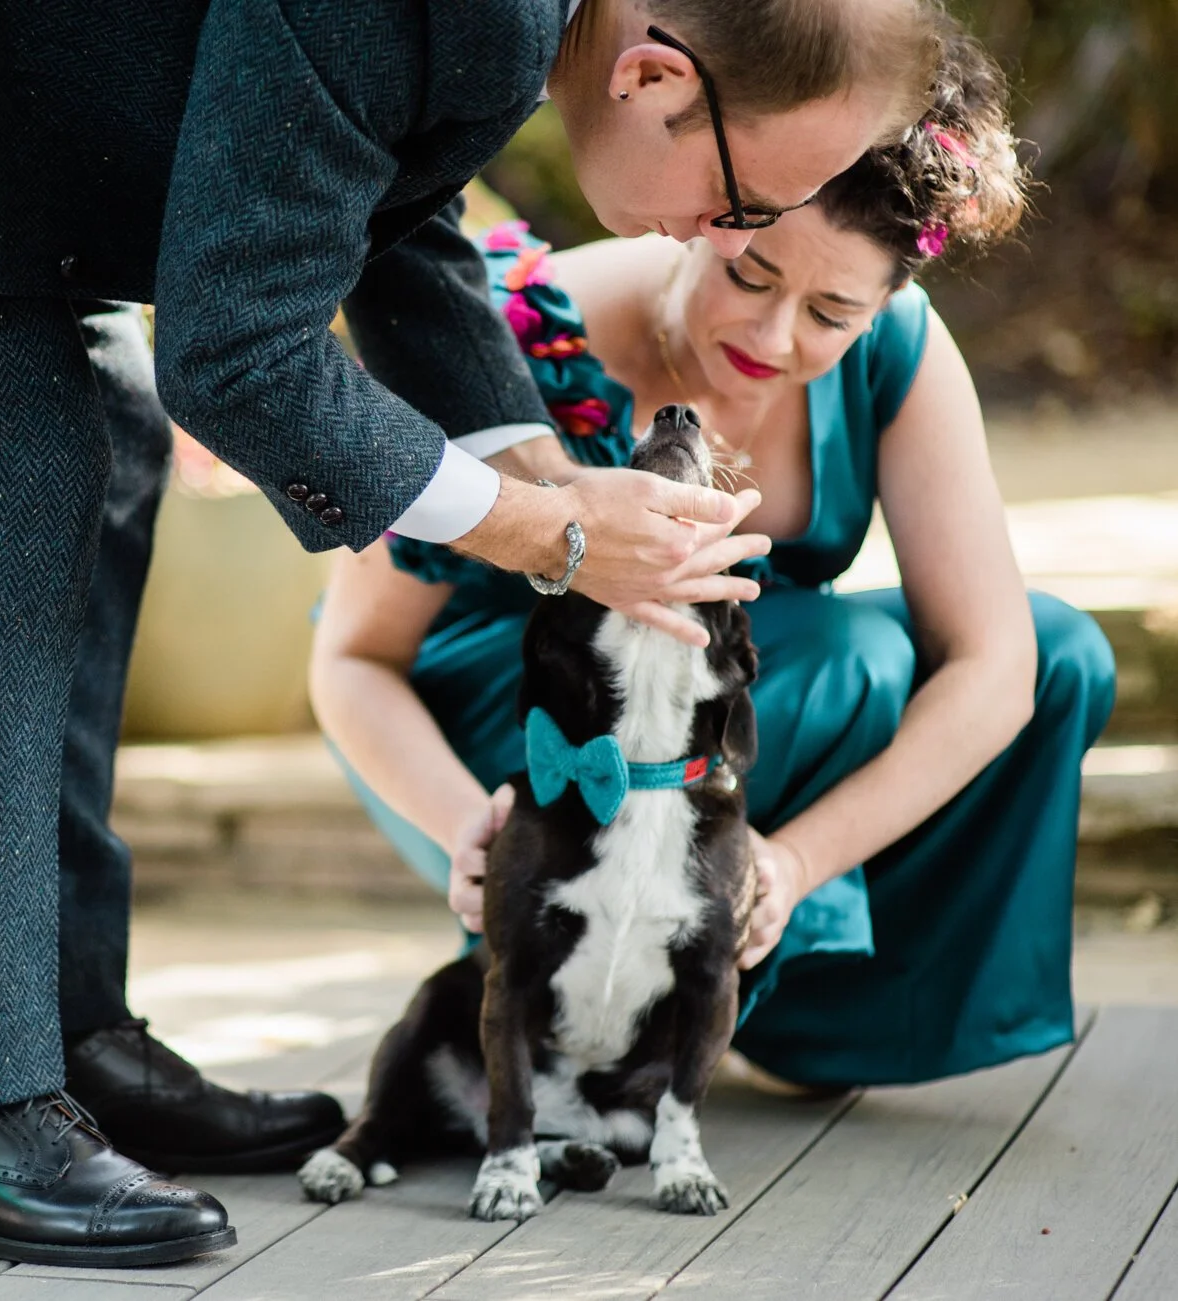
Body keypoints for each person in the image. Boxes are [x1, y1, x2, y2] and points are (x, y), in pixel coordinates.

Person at [0, 0, 942, 1265]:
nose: (712, 237)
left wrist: (552, 476)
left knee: (108, 448)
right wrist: (539, 535)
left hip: (27, 85)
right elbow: (241, 356)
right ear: (657, 76)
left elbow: (396, 218)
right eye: (739, 203)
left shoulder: (539, 27)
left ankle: (55, 1037)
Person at [311, 31, 1117, 1093]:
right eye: (752, 273)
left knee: (1057, 653)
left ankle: (796, 996)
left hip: (727, 731)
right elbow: (351, 663)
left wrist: (792, 863)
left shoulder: (899, 350)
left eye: (833, 313)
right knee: (840, 658)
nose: (776, 338)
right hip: (519, 743)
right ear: (707, 214)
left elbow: (999, 664)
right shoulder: (515, 333)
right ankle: (582, 983)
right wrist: (467, 823)